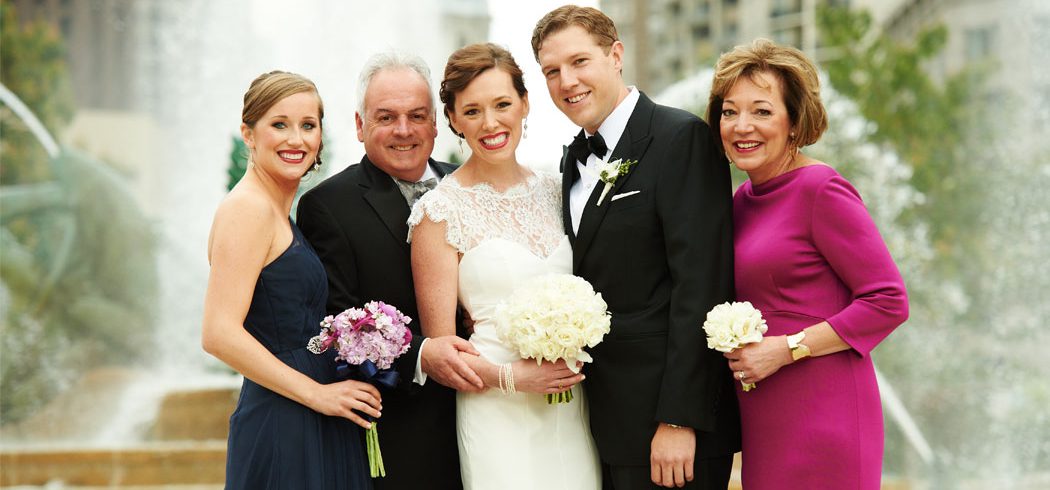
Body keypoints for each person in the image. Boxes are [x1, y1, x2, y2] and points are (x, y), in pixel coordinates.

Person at [532, 6, 741, 489]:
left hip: (670, 431)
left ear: (616, 55)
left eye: (580, 61)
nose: (567, 81)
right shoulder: (570, 160)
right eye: (552, 71)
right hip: (603, 425)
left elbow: (702, 286)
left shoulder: (680, 138)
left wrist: (678, 419)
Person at [708, 38, 909, 489]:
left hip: (824, 415)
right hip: (764, 419)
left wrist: (788, 348)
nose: (742, 126)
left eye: (762, 111)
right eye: (729, 111)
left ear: (794, 122)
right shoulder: (742, 200)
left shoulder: (821, 190)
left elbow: (888, 300)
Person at [409, 43, 600, 490]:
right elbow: (443, 354)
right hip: (496, 406)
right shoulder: (439, 211)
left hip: (569, 402)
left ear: (525, 104)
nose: (491, 123)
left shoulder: (558, 191)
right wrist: (514, 378)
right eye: (472, 111)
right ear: (453, 120)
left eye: (502, 105)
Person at [296, 53, 482, 490]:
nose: (404, 130)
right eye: (386, 117)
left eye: (417, 116)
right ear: (360, 126)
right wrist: (421, 354)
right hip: (408, 435)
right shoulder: (327, 206)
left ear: (437, 124)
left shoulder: (472, 187)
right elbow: (337, 321)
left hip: (495, 412)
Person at [201, 71, 380, 489]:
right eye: (278, 124)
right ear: (248, 133)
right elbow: (218, 333)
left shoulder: (275, 209)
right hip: (286, 418)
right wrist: (317, 394)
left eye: (307, 125)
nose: (295, 139)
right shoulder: (247, 210)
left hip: (312, 411)